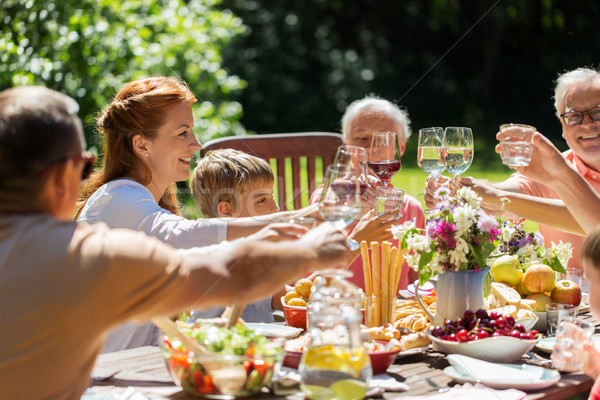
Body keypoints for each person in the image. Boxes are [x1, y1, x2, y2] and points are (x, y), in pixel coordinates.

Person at [0, 86, 351, 399]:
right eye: (82, 166)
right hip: (117, 376)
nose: (196, 144)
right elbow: (202, 258)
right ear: (63, 174)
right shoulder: (96, 237)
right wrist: (307, 245)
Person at [76, 76, 322, 352]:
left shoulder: (144, 201)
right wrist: (304, 219)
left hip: (133, 366)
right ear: (142, 145)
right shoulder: (117, 198)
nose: (196, 143)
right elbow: (184, 237)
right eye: (183, 133)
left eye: (192, 131)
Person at [426, 67, 600, 280]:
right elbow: (509, 193)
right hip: (570, 307)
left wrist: (497, 198)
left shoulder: (557, 168)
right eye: (574, 116)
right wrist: (466, 194)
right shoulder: (554, 166)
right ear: (563, 127)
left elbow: (591, 221)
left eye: (598, 112)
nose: (589, 124)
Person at [310, 95, 425, 291]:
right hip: (339, 311)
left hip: (395, 318)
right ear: (346, 143)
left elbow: (419, 283)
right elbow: (308, 280)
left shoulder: (412, 208)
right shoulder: (328, 201)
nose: (370, 148)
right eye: (361, 138)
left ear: (401, 147)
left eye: (383, 139)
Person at [190, 148, 280, 322]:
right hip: (215, 346)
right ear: (227, 211)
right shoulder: (230, 256)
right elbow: (283, 298)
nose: (275, 207)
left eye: (272, 196)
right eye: (261, 200)